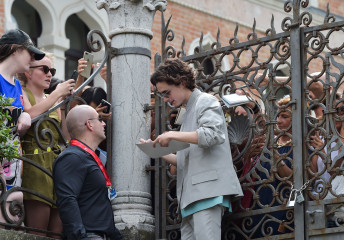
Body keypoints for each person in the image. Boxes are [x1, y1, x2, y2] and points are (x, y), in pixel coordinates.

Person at [141, 59, 243, 240]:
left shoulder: (205, 100)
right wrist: (155, 149)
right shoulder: (187, 111)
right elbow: (184, 158)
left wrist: (172, 136)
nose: (165, 99)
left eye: (166, 93)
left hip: (207, 192)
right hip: (192, 196)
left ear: (181, 82)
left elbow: (213, 135)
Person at [17, 52, 75, 237]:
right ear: (28, 72)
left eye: (52, 70)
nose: (50, 74)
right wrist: (57, 94)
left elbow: (63, 137)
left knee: (56, 232)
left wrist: (64, 105)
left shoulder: (52, 99)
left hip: (56, 166)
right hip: (35, 164)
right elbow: (29, 114)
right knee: (38, 231)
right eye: (45, 69)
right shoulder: (22, 92)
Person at [53, 105, 122, 240]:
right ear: (89, 124)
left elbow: (97, 204)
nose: (103, 124)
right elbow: (67, 200)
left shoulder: (86, 157)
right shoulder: (72, 157)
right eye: (99, 119)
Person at [0, 29, 45, 226]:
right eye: (30, 53)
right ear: (15, 50)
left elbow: (20, 124)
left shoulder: (17, 85)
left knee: (11, 203)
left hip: (14, 160)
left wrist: (25, 114)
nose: (33, 59)